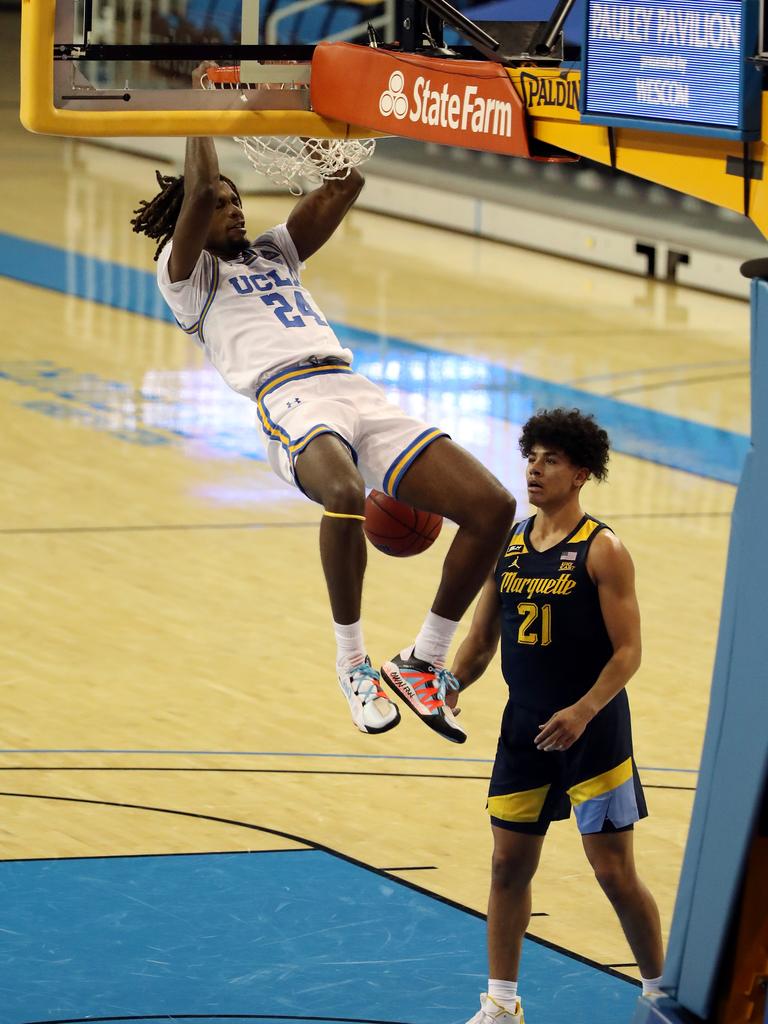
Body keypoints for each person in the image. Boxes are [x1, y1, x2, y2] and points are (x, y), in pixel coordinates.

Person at [130, 62, 516, 744]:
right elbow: (192, 199)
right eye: (223, 202)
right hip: (291, 399)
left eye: (237, 199)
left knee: (493, 508)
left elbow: (346, 182)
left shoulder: (275, 253)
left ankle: (423, 661)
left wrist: (302, 116)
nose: (234, 207)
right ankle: (352, 663)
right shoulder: (184, 276)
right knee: (344, 491)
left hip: (354, 387)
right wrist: (200, 107)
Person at [449, 408, 664, 1023]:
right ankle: (501, 1004)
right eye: (531, 457)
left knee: (614, 872)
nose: (535, 469)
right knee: (505, 866)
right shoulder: (508, 546)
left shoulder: (604, 550)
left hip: (593, 731)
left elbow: (629, 653)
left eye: (551, 460)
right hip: (525, 730)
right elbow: (481, 641)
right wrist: (450, 683)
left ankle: (658, 993)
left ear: (581, 474)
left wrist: (584, 708)